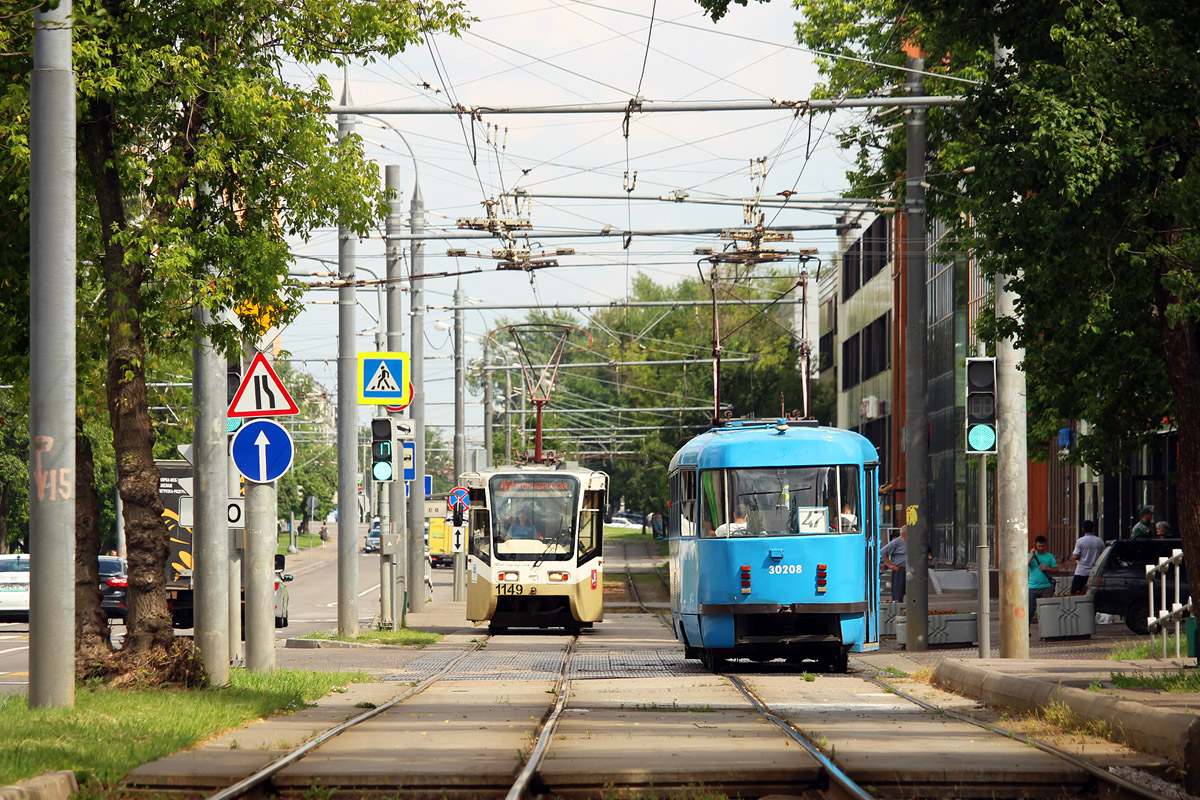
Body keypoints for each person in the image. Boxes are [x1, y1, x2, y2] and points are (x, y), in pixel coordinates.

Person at [1066, 520, 1105, 594]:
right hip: (1095, 572)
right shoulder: (1099, 541)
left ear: (1083, 529)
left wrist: (1073, 556)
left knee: (1075, 593)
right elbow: (1102, 555)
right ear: (1093, 528)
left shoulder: (1080, 541)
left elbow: (1076, 556)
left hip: (1081, 571)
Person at [1027, 535, 1058, 620]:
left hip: (1046, 587)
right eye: (1039, 546)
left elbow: (1056, 569)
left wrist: (1047, 568)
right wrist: (1032, 555)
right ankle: (1027, 631)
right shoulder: (1030, 556)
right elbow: (1025, 565)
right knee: (1030, 611)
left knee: (1047, 611)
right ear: (1035, 545)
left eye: (1043, 546)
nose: (1041, 548)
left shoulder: (1049, 556)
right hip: (1032, 587)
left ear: (1045, 545)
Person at [880, 525, 907, 601]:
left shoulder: (911, 542)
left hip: (909, 569)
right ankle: (897, 608)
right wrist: (890, 565)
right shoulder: (896, 542)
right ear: (905, 533)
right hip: (899, 570)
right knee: (898, 592)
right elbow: (883, 552)